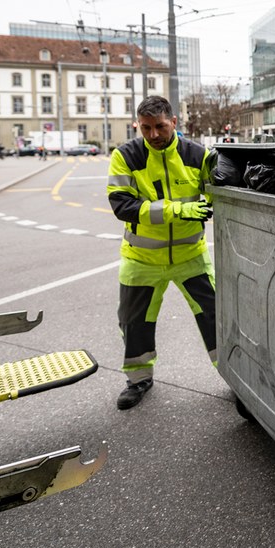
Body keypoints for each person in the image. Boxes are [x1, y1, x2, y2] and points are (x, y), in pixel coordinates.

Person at [106, 96, 217, 410]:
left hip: (190, 255)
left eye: (160, 127)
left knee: (216, 316)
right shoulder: (125, 156)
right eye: (146, 128)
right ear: (138, 126)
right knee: (133, 321)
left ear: (174, 123)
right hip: (141, 258)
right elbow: (122, 205)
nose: (153, 135)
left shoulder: (199, 155)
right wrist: (178, 210)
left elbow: (219, 196)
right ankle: (138, 379)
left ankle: (234, 374)